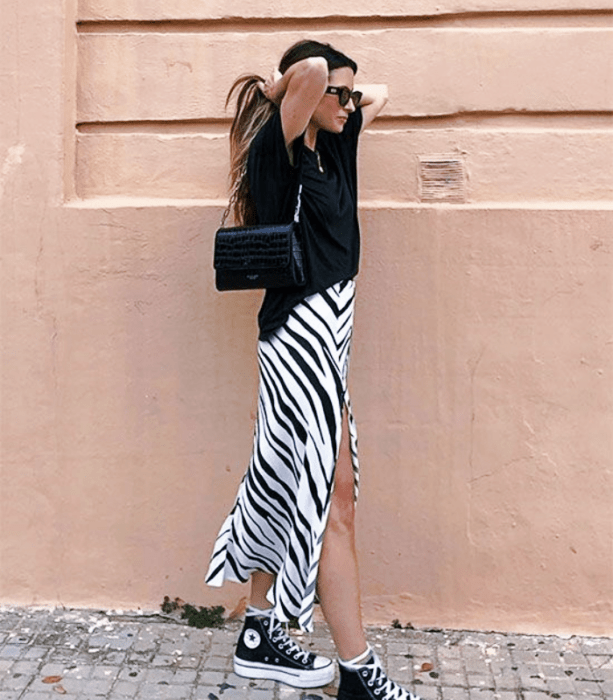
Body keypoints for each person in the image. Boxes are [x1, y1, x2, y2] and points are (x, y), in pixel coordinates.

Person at [206, 40, 421, 700]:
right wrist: (284, 94)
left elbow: (377, 96)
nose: (351, 104)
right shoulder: (284, 149)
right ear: (304, 96)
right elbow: (303, 76)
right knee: (334, 494)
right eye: (338, 92)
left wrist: (346, 98)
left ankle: (260, 629)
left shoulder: (336, 146)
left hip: (329, 334)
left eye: (350, 94)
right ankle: (358, 672)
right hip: (301, 332)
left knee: (282, 474)